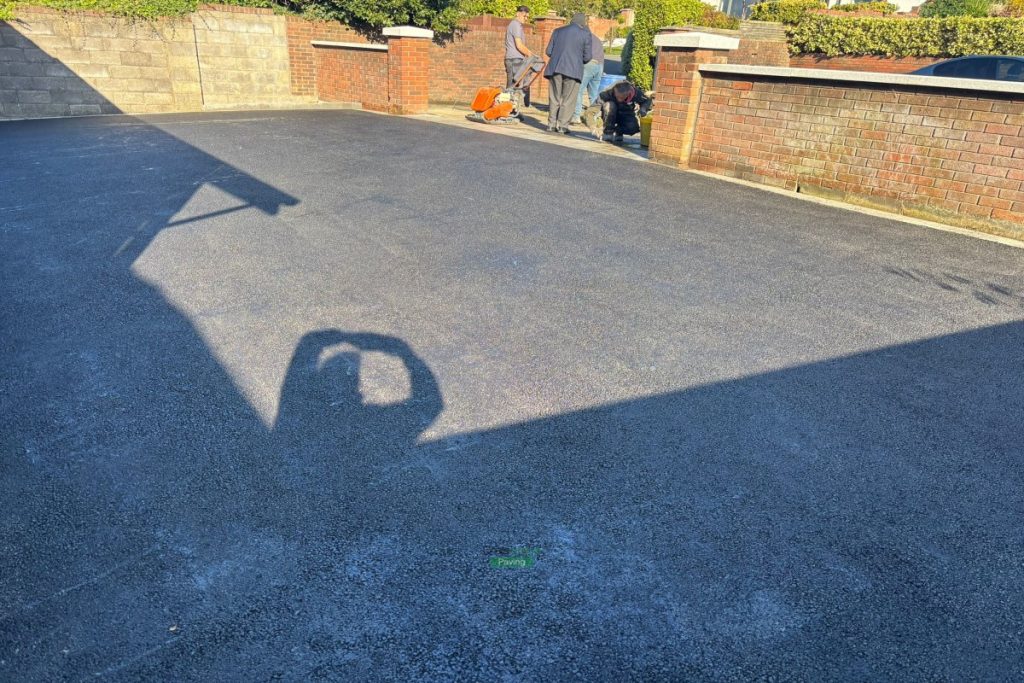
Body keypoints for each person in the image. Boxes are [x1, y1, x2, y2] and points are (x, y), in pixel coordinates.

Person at [543, 13, 592, 134]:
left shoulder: (557, 31)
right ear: (583, 23)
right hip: (573, 70)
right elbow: (587, 57)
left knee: (554, 97)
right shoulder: (585, 34)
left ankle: (551, 124)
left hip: (555, 68)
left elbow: (548, 52)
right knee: (568, 99)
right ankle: (563, 126)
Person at [584, 79, 652, 143]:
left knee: (633, 129)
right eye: (617, 96)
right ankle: (608, 132)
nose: (619, 100)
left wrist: (643, 109)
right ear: (614, 90)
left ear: (629, 93)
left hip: (626, 114)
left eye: (622, 97)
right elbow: (589, 112)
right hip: (610, 114)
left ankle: (619, 130)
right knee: (609, 105)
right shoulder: (606, 94)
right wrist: (593, 127)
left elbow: (647, 100)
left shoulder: (636, 93)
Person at [504, 6, 536, 108]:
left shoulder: (516, 25)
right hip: (514, 60)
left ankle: (510, 107)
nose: (526, 18)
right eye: (524, 15)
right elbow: (519, 45)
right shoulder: (515, 25)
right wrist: (531, 55)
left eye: (527, 17)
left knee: (513, 85)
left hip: (514, 59)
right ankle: (507, 107)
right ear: (518, 13)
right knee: (513, 86)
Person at [571, 29, 604, 126]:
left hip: (589, 64)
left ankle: (576, 116)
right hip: (600, 65)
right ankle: (595, 116)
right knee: (593, 93)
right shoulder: (596, 38)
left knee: (578, 90)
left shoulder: (583, 38)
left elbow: (581, 54)